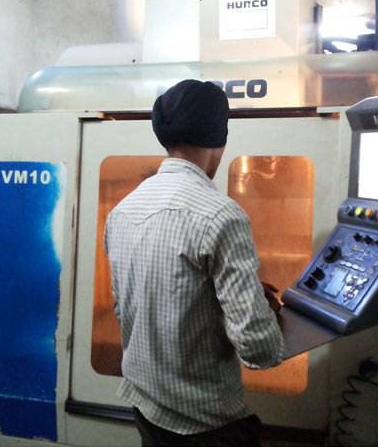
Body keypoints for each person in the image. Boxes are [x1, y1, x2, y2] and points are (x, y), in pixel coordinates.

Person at [104, 79, 284, 446]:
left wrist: (222, 299)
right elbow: (258, 349)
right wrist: (266, 316)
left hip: (147, 409)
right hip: (207, 425)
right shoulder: (221, 216)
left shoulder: (122, 211)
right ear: (220, 140)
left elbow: (127, 309)